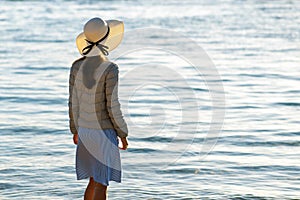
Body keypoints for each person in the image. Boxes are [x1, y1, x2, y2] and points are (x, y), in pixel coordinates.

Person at [68, 17, 129, 200]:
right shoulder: (110, 68)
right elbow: (112, 106)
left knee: (93, 181)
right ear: (106, 40)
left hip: (85, 131)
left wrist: (75, 130)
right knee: (101, 184)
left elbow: (73, 103)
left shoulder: (76, 66)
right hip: (103, 132)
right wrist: (123, 133)